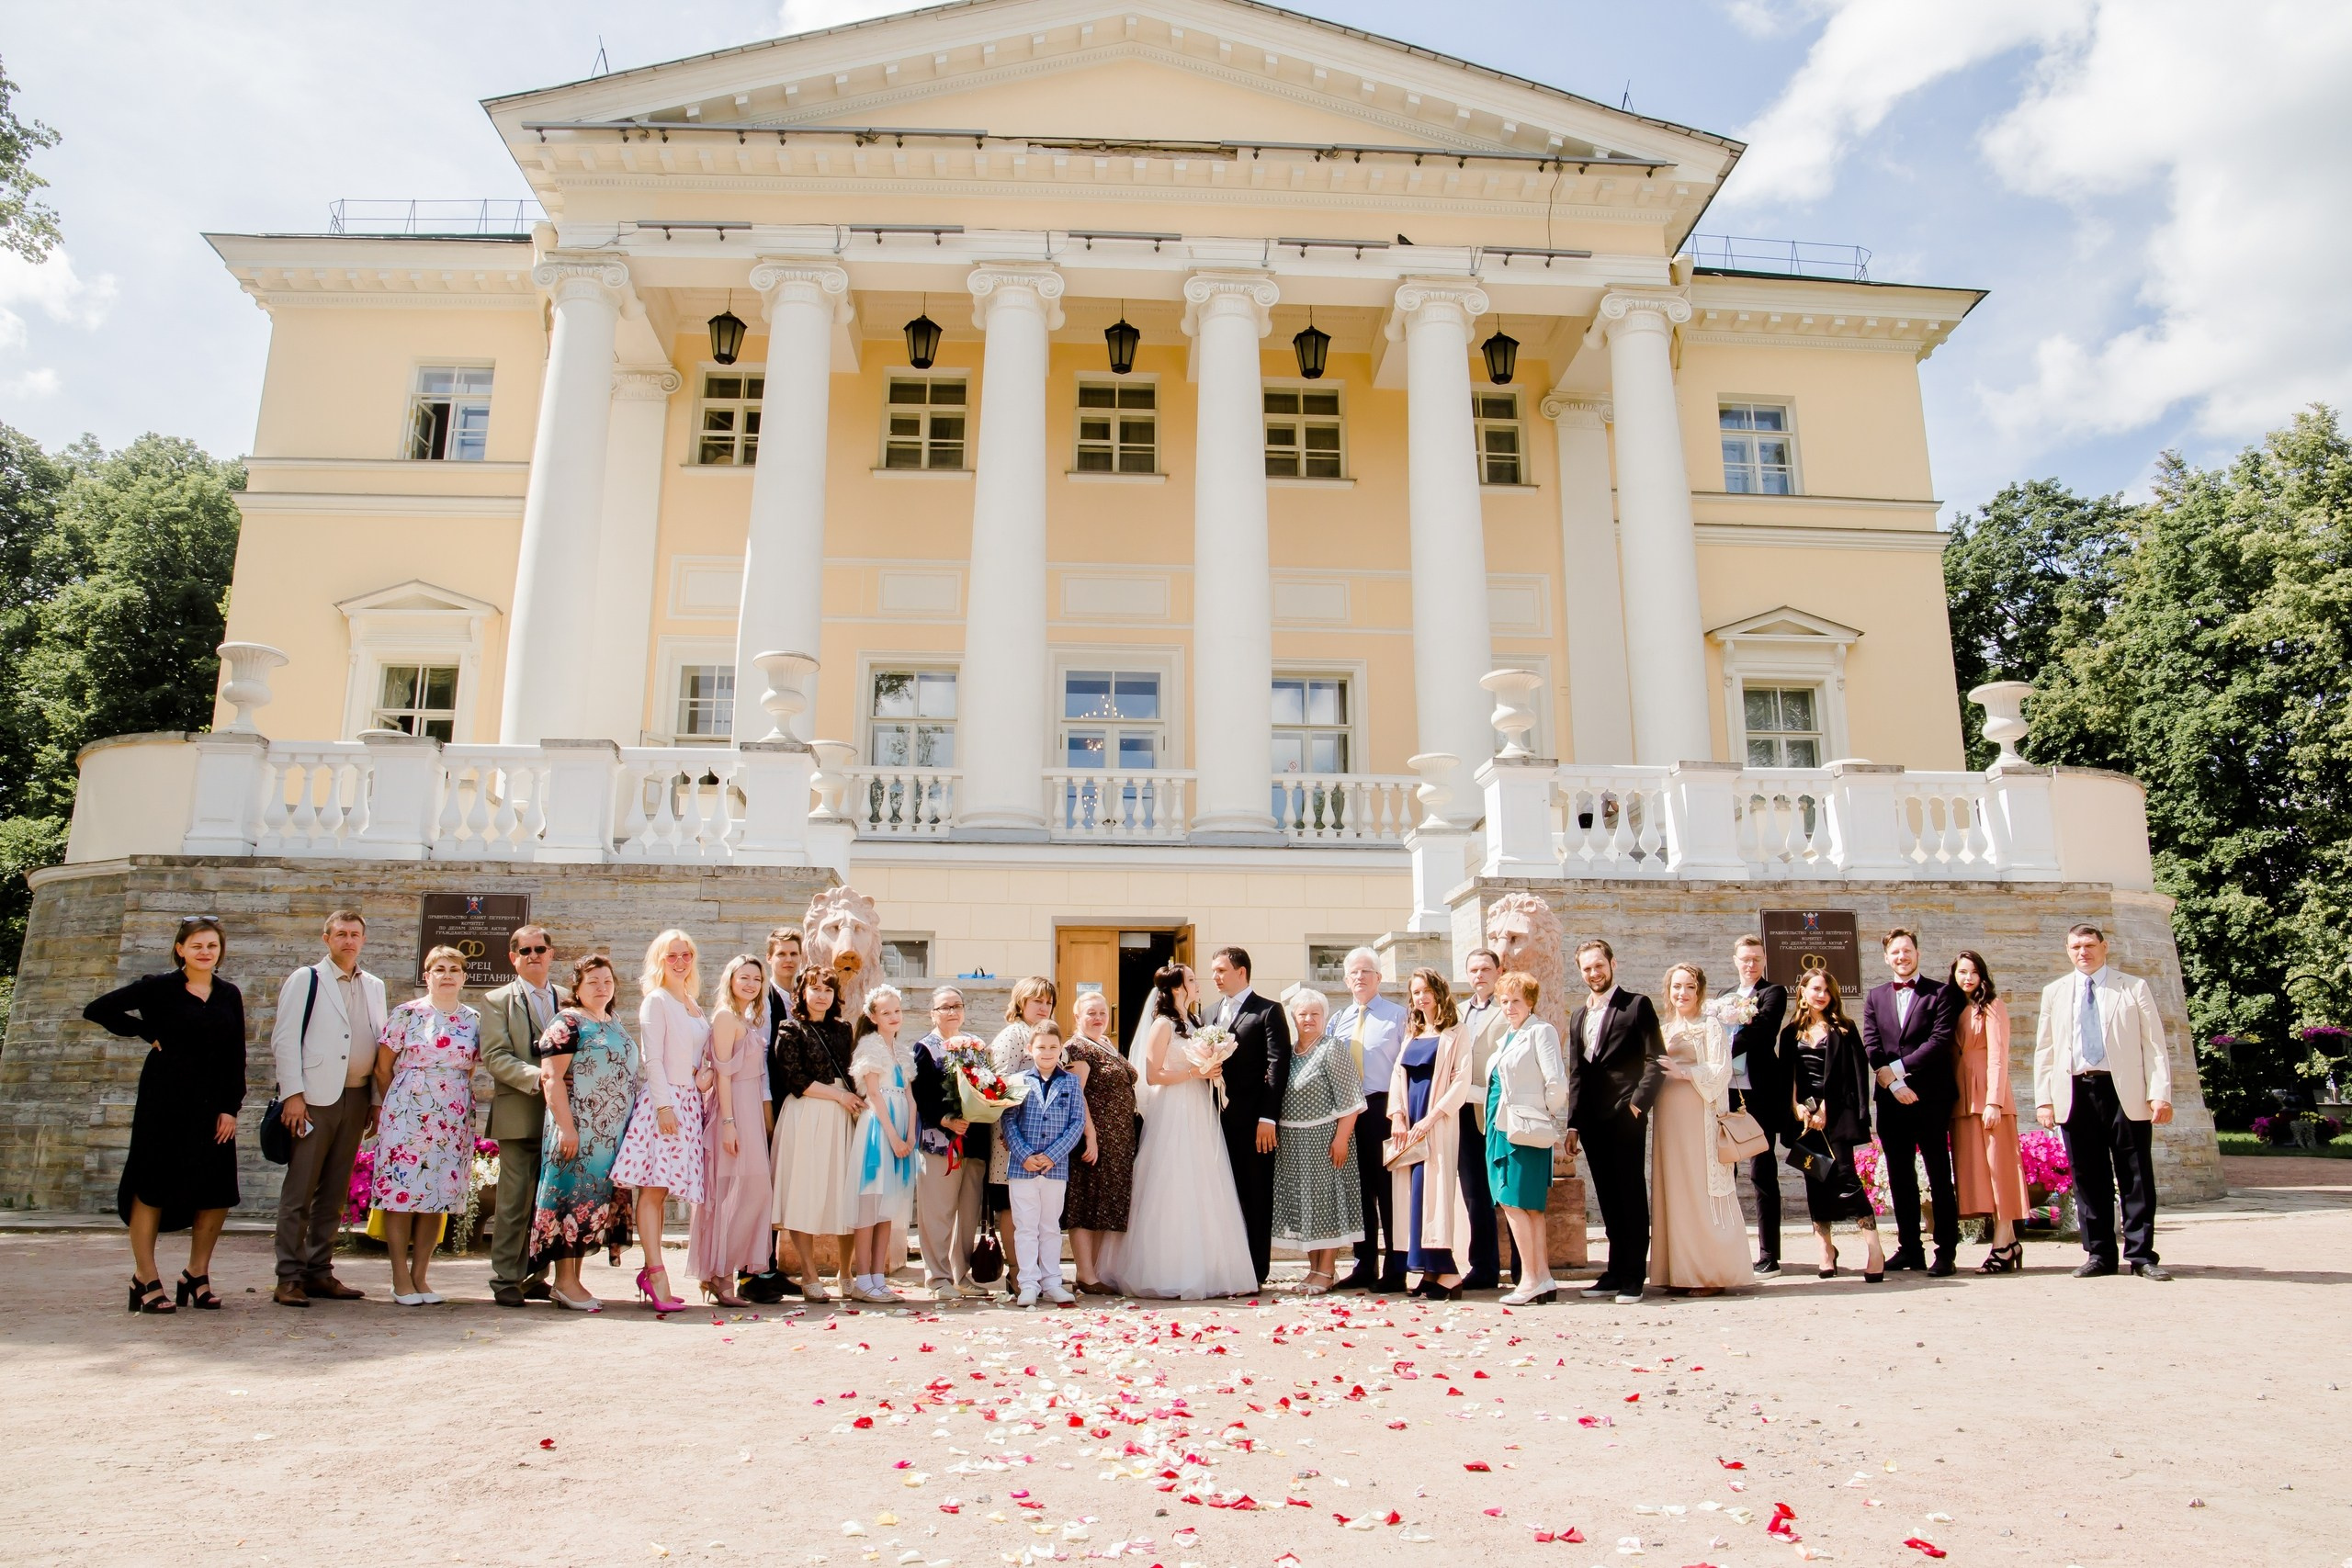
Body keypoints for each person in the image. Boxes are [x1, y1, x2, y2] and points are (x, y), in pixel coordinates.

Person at [85, 915, 246, 1314]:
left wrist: (231, 1107)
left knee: (217, 1188)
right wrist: (145, 1032)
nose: (205, 952)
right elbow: (98, 1009)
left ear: (220, 950)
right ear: (180, 950)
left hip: (213, 1103)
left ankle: (196, 1274)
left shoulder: (229, 994)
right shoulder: (158, 988)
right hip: (164, 1099)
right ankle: (145, 1277)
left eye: (211, 945)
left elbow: (235, 1055)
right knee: (151, 1181)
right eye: (196, 946)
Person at [1097, 963, 1258, 1299]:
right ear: (1176, 988)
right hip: (1174, 1107)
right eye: (1192, 980)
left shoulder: (1197, 1022)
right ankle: (1166, 1268)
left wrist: (1211, 1069)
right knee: (1172, 1180)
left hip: (1199, 1107)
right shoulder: (1163, 1024)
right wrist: (1194, 1075)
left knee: (1204, 1182)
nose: (1199, 985)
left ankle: (1208, 1269)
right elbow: (1153, 1075)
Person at [2034, 924, 2173, 1280]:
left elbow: (2154, 1046)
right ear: (2067, 950)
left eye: (2090, 945)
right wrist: (2044, 1100)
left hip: (2123, 1091)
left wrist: (2159, 1092)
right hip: (2075, 1091)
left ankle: (2141, 1256)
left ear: (2104, 946)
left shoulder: (2133, 987)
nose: (2083, 952)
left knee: (2136, 1175)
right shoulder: (2055, 992)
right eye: (2076, 946)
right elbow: (2045, 1049)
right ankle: (2099, 1253)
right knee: (2087, 1177)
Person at [266, 908, 384, 1308]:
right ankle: (289, 1276)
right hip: (314, 1101)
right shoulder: (308, 979)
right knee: (300, 1190)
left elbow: (378, 1042)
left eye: (355, 934)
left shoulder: (374, 986)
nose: (348, 940)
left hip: (355, 1098)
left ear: (364, 940)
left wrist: (374, 1101)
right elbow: (284, 1039)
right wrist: (293, 1095)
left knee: (334, 1192)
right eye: (341, 934)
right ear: (326, 938)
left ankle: (320, 1270)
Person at [370, 945, 481, 1306]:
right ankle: (400, 1278)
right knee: (402, 1193)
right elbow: (383, 1066)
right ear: (427, 975)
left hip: (452, 1116)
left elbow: (470, 1067)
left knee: (437, 1194)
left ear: (464, 977)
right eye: (439, 969)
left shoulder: (474, 1019)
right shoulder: (406, 1013)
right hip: (407, 1111)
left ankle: (421, 1277)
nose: (447, 974)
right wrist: (397, 1105)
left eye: (454, 969)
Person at [608, 930, 712, 1314]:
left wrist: (702, 1080)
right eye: (673, 956)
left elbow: (692, 1056)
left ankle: (654, 1273)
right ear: (659, 960)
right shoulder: (657, 1000)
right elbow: (652, 1059)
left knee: (664, 1190)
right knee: (652, 1189)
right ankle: (655, 1273)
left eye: (687, 954)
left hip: (689, 1101)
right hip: (664, 1102)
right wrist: (664, 1107)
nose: (681, 961)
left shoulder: (692, 1003)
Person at [529, 953, 639, 1312]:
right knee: (568, 1199)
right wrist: (566, 1128)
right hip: (577, 1129)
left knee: (589, 1205)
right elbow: (551, 1078)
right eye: (592, 981)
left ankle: (573, 1281)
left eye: (607, 981)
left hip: (608, 1138)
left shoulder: (614, 1021)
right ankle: (563, 1282)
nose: (601, 987)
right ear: (577, 987)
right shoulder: (568, 1022)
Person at [1566, 938, 1667, 1304]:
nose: (1594, 973)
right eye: (1587, 968)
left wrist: (1638, 1106)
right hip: (1591, 1122)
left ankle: (1633, 1276)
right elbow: (1577, 1072)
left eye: (1599, 965)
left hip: (1626, 1115)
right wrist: (1573, 1123)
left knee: (1630, 1196)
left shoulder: (1637, 1005)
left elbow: (1657, 1060)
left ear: (1612, 963)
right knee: (1607, 1197)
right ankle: (1612, 1271)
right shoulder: (1578, 1015)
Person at [1861, 929, 1962, 1276]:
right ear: (1885, 958)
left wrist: (1898, 1072)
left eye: (1907, 951)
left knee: (1938, 1174)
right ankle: (1909, 1249)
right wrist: (1891, 1084)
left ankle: (1946, 1251)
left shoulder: (1942, 993)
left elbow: (1939, 1041)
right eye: (1895, 952)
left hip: (1930, 1097)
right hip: (1891, 1100)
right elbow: (1871, 1043)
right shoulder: (1875, 996)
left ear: (1917, 953)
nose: (1901, 957)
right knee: (1900, 1176)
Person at [1649, 964, 1754, 1295]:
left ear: (1699, 991)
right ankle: (1676, 1271)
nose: (1682, 993)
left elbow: (1721, 1071)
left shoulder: (1710, 1026)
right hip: (1668, 1116)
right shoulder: (1664, 1029)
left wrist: (1683, 1072)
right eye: (1676, 987)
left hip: (1701, 1114)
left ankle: (1709, 1274)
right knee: (1675, 1188)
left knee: (1699, 1187)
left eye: (1689, 987)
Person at [479, 924, 569, 1309]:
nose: (534, 955)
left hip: (563, 1115)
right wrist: (542, 1079)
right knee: (515, 1200)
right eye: (525, 950)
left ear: (551, 954)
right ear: (513, 957)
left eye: (540, 949)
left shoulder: (568, 998)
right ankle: (506, 1278)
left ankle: (537, 1275)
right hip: (520, 1111)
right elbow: (495, 1055)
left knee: (549, 1199)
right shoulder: (497, 1000)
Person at [1783, 968, 1884, 1280]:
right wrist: (1797, 1107)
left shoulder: (1844, 1029)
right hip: (1806, 1122)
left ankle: (1874, 1247)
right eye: (1815, 988)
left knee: (1846, 1178)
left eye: (1826, 989)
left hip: (1836, 1117)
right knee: (1816, 1182)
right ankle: (1825, 1249)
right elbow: (1788, 1078)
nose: (1821, 994)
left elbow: (1853, 1078)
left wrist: (1828, 1108)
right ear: (1802, 992)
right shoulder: (1791, 1033)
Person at [771, 964, 862, 1301]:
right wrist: (838, 1095)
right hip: (807, 1111)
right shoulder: (789, 1029)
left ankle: (846, 1271)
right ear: (803, 992)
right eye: (815, 988)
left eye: (828, 989)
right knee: (803, 1191)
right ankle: (809, 1274)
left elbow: (853, 1073)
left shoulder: (843, 1030)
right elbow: (794, 1079)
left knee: (844, 1192)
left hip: (842, 1114)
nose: (821, 995)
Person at [690, 955, 775, 1306]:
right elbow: (723, 1073)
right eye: (745, 977)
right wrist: (728, 1124)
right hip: (733, 1109)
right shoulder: (726, 1017)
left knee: (754, 1190)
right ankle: (721, 1276)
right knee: (731, 1191)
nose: (751, 983)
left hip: (751, 1107)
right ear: (731, 979)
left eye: (756, 979)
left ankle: (721, 1273)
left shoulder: (748, 1019)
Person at [1206, 945, 1293, 1286]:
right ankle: (1226, 1266)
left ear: (1241, 972)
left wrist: (1268, 1118)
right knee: (1220, 1194)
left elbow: (1277, 1065)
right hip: (1213, 1120)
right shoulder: (1209, 1012)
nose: (1215, 976)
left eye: (1221, 970)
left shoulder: (1269, 1011)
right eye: (1214, 970)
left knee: (1254, 1193)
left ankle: (1256, 1271)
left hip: (1255, 1122)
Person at [1385, 967, 1473, 1299]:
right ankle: (1430, 1272)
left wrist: (1432, 1118)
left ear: (1438, 992)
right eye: (1415, 992)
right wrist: (1397, 1116)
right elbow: (1398, 1076)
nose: (1420, 997)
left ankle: (1447, 1272)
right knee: (1414, 1195)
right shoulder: (1412, 1033)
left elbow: (1460, 1081)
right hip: (1409, 1122)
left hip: (1437, 1122)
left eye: (1425, 990)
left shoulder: (1456, 1032)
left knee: (1434, 1194)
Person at [1272, 987, 1364, 1293]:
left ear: (1324, 1017)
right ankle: (1314, 1269)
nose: (1308, 1019)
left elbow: (1351, 1100)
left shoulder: (1332, 1048)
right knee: (1305, 1206)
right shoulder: (1289, 1051)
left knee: (1326, 1204)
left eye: (1315, 1014)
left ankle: (1327, 1270)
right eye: (1302, 1014)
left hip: (1325, 1140)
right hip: (1294, 1142)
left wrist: (1341, 1139)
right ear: (1293, 1018)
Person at [1483, 970, 1567, 1306]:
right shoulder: (1506, 1037)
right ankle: (1542, 1276)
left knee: (1517, 1202)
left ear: (1530, 1001)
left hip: (1523, 1129)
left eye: (1515, 1000)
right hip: (1498, 1126)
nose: (1508, 1007)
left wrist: (1541, 1114)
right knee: (1522, 1205)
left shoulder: (1540, 1031)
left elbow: (1557, 1084)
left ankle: (1530, 1279)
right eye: (1504, 1001)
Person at [1327, 946, 1408, 1292]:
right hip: (1349, 1113)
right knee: (1358, 1192)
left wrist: (1401, 1112)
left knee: (1388, 1190)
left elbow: (1405, 1067)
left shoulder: (1398, 1016)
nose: (1360, 977)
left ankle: (1396, 1267)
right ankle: (1364, 1264)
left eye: (1366, 971)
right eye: (1354, 973)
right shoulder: (1337, 1020)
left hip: (1383, 1108)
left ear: (1378, 977)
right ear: (1346, 980)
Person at [1950, 950, 2030, 1273]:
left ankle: (2002, 1242)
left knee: (2001, 1171)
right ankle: (2009, 1244)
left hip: (1989, 1095)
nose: (1967, 978)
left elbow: (1999, 1055)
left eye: (1973, 972)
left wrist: (1994, 1101)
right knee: (1980, 1174)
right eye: (1961, 972)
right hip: (1962, 1098)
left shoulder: (1993, 1007)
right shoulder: (1955, 1008)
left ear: (1982, 976)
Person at [910, 987, 989, 1299]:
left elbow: (987, 1088)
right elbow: (920, 1094)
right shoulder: (924, 1049)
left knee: (967, 1213)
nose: (952, 1012)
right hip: (940, 1141)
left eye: (957, 1005)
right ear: (932, 1013)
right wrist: (944, 1119)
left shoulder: (975, 1047)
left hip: (972, 1141)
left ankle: (961, 1274)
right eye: (944, 1007)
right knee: (939, 1211)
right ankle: (937, 1277)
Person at [1002, 1019, 1088, 1306]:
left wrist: (1052, 1155)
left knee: (1050, 1226)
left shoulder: (1071, 1083)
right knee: (1025, 1226)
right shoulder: (1017, 1082)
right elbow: (1009, 1120)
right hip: (1022, 1167)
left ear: (1061, 1048)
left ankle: (1052, 1281)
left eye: (1053, 1046)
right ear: (1030, 1049)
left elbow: (1076, 1123)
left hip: (1056, 1167)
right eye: (1041, 1047)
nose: (1047, 1051)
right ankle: (1028, 1283)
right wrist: (1025, 1155)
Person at [983, 976, 1057, 1296]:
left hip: (1044, 1139)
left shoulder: (1048, 1034)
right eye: (1036, 1001)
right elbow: (998, 1082)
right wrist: (1006, 1130)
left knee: (1039, 1209)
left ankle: (1039, 1272)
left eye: (1048, 1002)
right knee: (1014, 1208)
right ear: (1021, 1003)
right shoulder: (1013, 1035)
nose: (1043, 1007)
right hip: (1012, 1137)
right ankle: (1017, 1272)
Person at [1061, 989, 1139, 1294]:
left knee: (1102, 1206)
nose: (1097, 1018)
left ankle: (1092, 1273)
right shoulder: (1077, 1047)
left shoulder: (1105, 1043)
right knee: (1085, 1202)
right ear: (1077, 1016)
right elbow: (1077, 1094)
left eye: (1102, 1013)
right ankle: (1085, 1273)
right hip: (1095, 1138)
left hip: (1119, 1139)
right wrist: (1089, 1136)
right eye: (1090, 1012)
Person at [1723, 935, 1792, 1276]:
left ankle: (1769, 1254)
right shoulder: (1722, 997)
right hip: (1728, 1093)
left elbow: (1762, 1031)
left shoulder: (1773, 993)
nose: (1750, 965)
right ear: (1735, 960)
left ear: (1764, 961)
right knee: (1725, 1172)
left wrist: (1719, 1051)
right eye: (1745, 959)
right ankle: (1726, 1249)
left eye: (1756, 960)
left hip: (1760, 1093)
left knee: (1762, 1173)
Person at [847, 984, 918, 1302]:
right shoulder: (869, 1047)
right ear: (873, 1016)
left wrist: (911, 1134)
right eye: (886, 1012)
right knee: (871, 1199)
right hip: (879, 1126)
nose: (893, 1017)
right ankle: (862, 1278)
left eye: (897, 1011)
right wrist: (891, 1135)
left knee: (889, 1204)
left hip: (902, 1125)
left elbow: (910, 1097)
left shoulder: (902, 1051)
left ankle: (878, 1276)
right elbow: (874, 1095)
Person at [1453, 946, 1509, 1291]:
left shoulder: (1509, 1008)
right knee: (1474, 1192)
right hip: (1464, 1112)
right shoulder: (1458, 1012)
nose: (1479, 975)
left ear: (1498, 972)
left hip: (1499, 1111)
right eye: (1473, 970)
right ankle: (1483, 1267)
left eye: (1486, 969)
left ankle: (1522, 1268)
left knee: (1508, 1190)